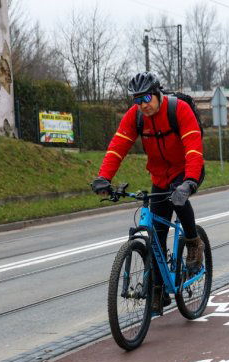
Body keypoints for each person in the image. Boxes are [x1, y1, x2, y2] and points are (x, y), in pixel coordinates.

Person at [91, 72, 205, 314]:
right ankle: (158, 290)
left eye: (146, 98)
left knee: (179, 202)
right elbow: (117, 147)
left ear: (157, 94)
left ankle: (194, 243)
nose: (142, 104)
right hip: (160, 177)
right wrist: (104, 178)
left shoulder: (179, 110)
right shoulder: (135, 117)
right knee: (157, 236)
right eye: (137, 100)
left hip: (186, 171)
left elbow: (194, 149)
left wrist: (189, 183)